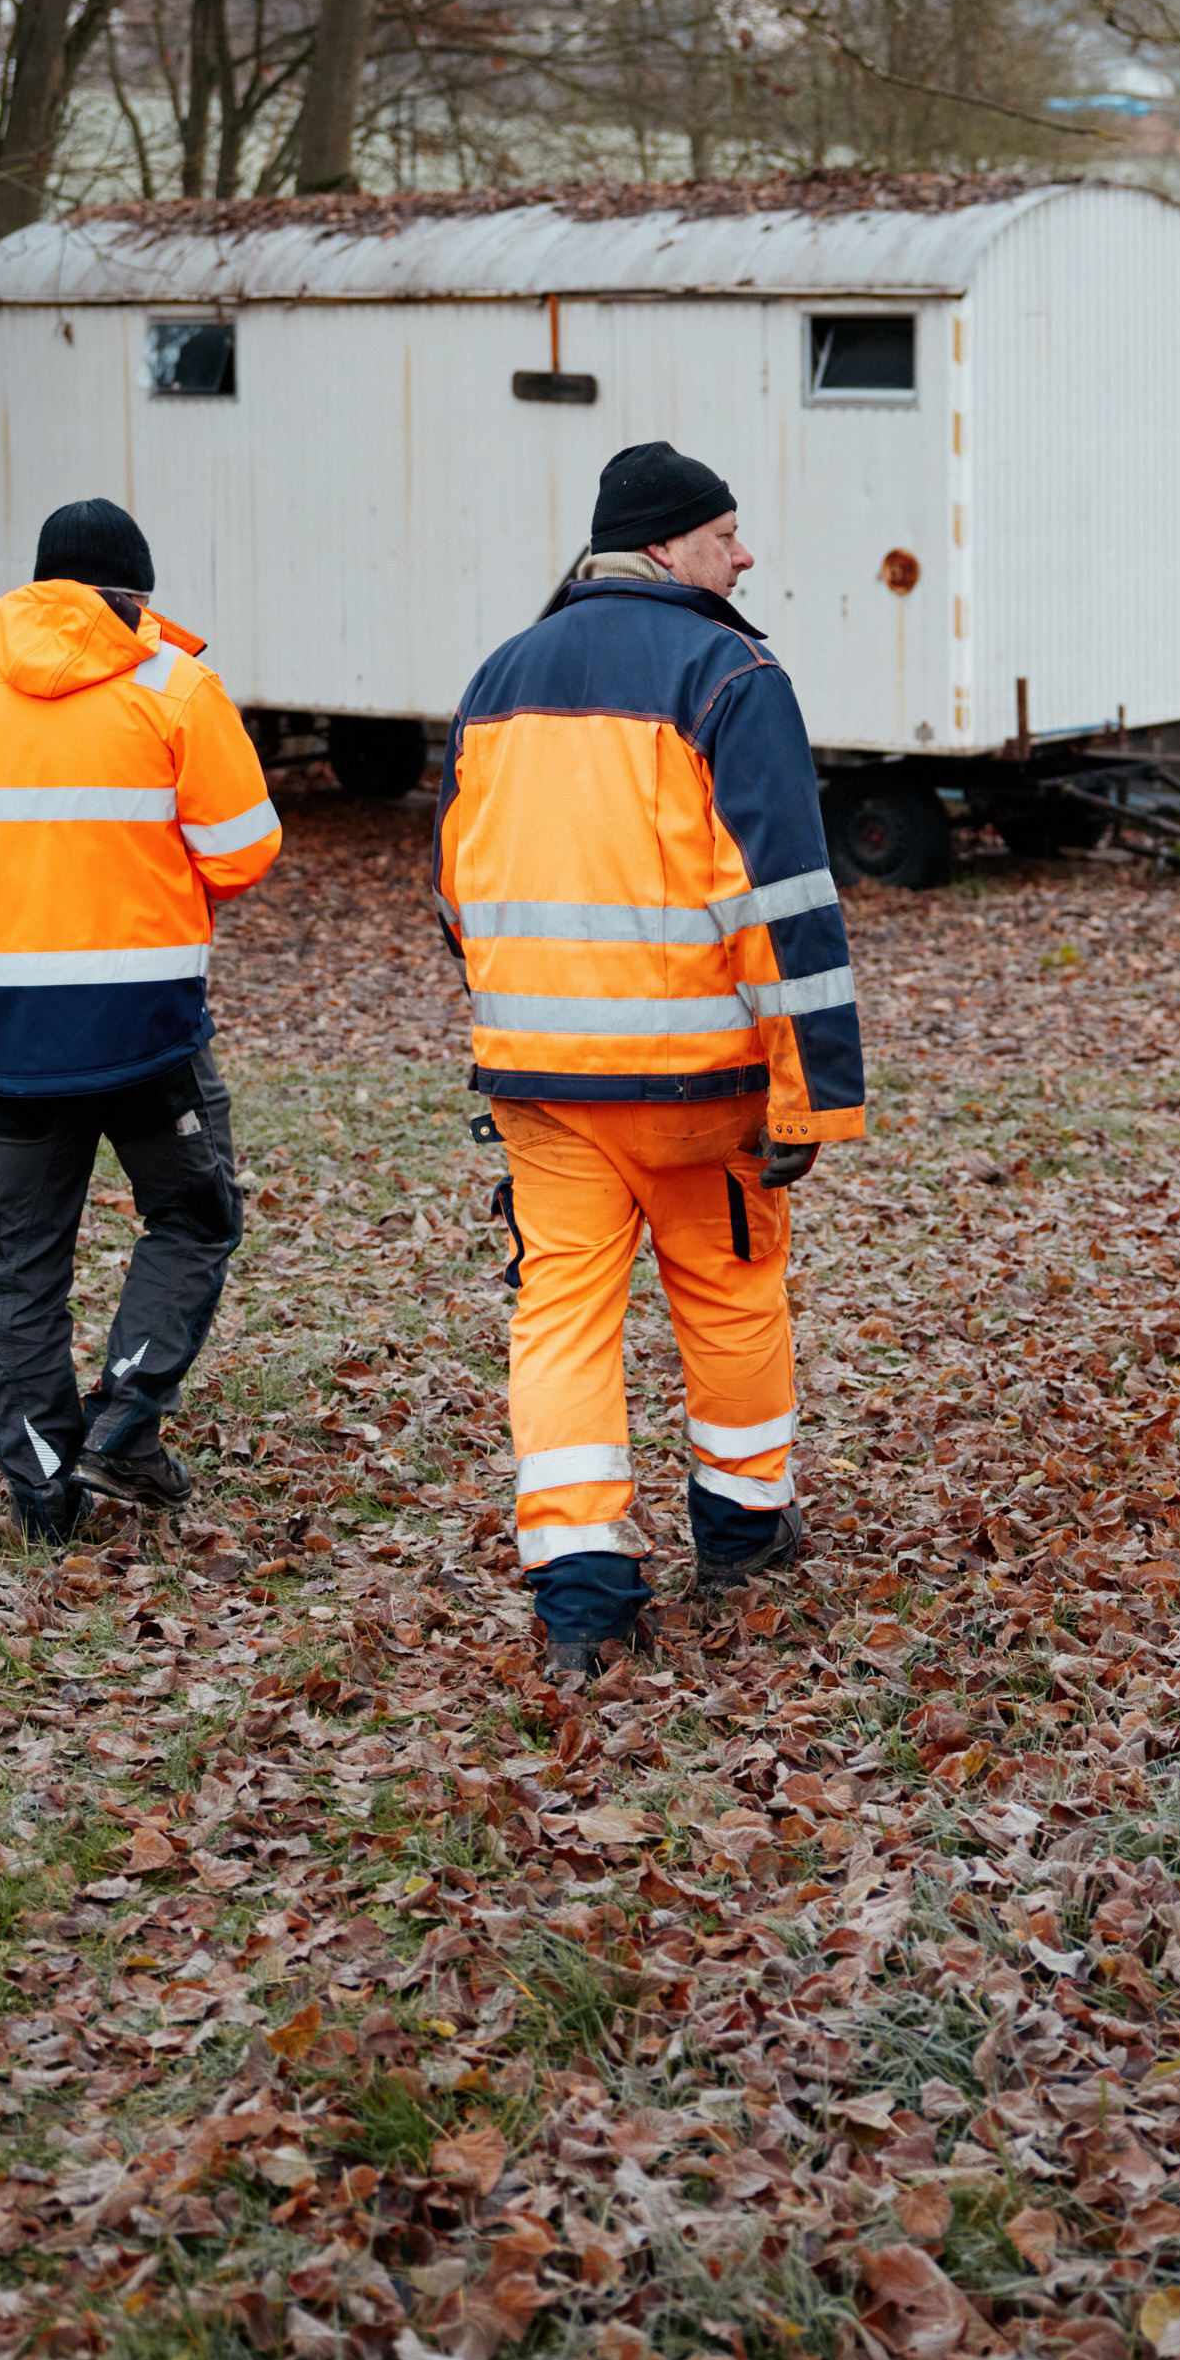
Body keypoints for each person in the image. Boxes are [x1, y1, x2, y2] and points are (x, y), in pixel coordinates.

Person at [434, 440, 866, 1681]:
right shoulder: (731, 673)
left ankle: (582, 1593)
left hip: (539, 1078)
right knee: (729, 1291)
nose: (746, 554)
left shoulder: (501, 672)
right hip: (698, 1080)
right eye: (727, 534)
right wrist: (812, 1095)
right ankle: (742, 1530)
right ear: (668, 546)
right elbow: (783, 898)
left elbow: (456, 884)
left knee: (561, 1315)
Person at [0, 497, 281, 1542]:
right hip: (145, 1029)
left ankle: (40, 1488)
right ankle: (124, 1420)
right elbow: (245, 849)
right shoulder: (175, 688)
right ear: (136, 596)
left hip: (5, 1037)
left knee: (25, 1259)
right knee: (193, 1217)